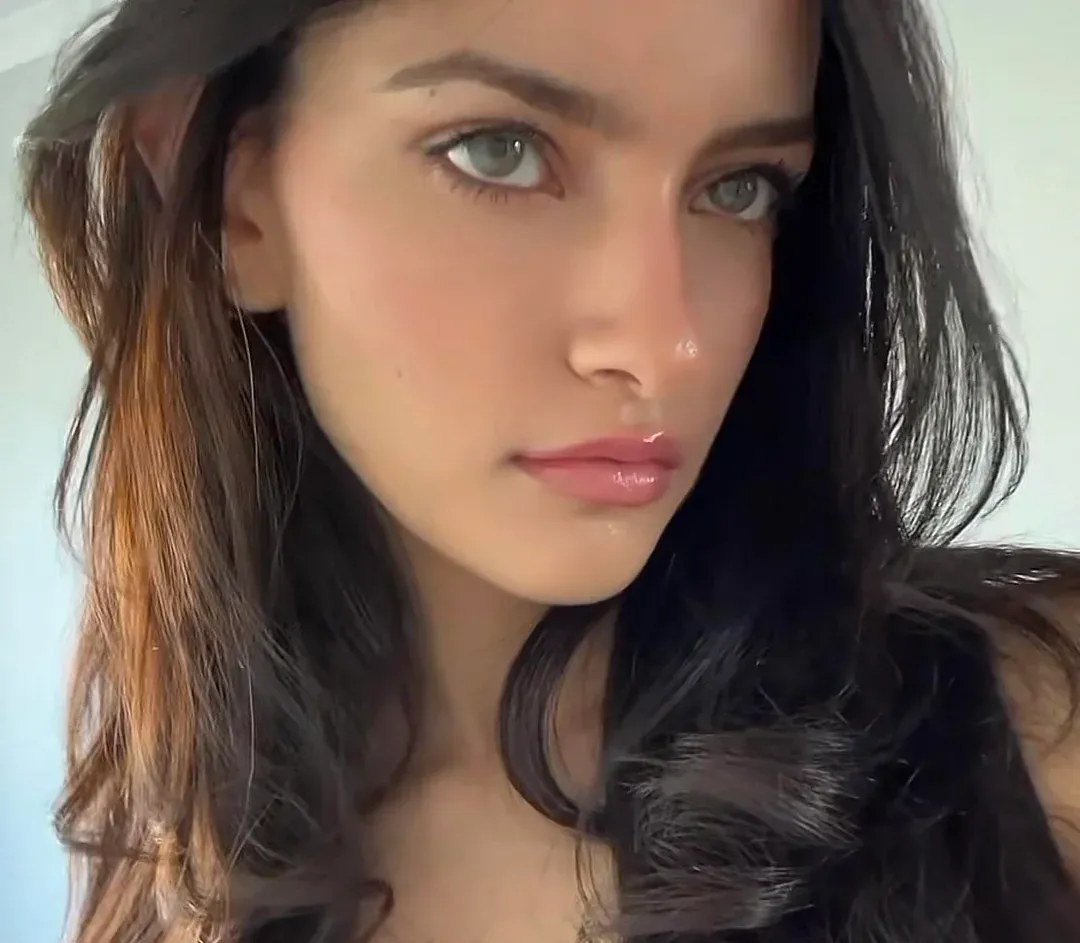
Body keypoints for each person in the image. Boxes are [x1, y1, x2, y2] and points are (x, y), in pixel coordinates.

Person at [17, 0, 1080, 940]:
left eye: (739, 187)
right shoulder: (179, 878)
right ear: (232, 195)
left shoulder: (1036, 736)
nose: (665, 345)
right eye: (501, 152)